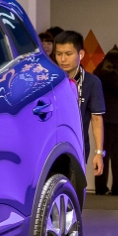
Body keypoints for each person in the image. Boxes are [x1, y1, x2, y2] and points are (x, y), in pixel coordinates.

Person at [50, 32, 105, 185]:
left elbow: (96, 118)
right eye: (59, 54)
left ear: (81, 54)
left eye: (68, 54)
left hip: (78, 147)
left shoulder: (92, 82)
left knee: (74, 189)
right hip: (50, 145)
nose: (63, 59)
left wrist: (99, 153)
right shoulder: (48, 80)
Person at [96, 51, 118, 195]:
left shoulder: (98, 73)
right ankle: (117, 188)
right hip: (115, 119)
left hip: (102, 118)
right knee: (116, 155)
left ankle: (100, 187)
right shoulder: (113, 76)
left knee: (101, 153)